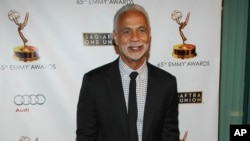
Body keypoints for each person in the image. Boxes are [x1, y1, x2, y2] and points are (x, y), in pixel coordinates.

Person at [76, 3, 180, 141]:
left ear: (149, 34)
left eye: (141, 30)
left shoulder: (167, 83)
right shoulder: (94, 83)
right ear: (116, 37)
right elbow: (85, 137)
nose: (135, 38)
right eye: (126, 31)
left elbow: (170, 136)